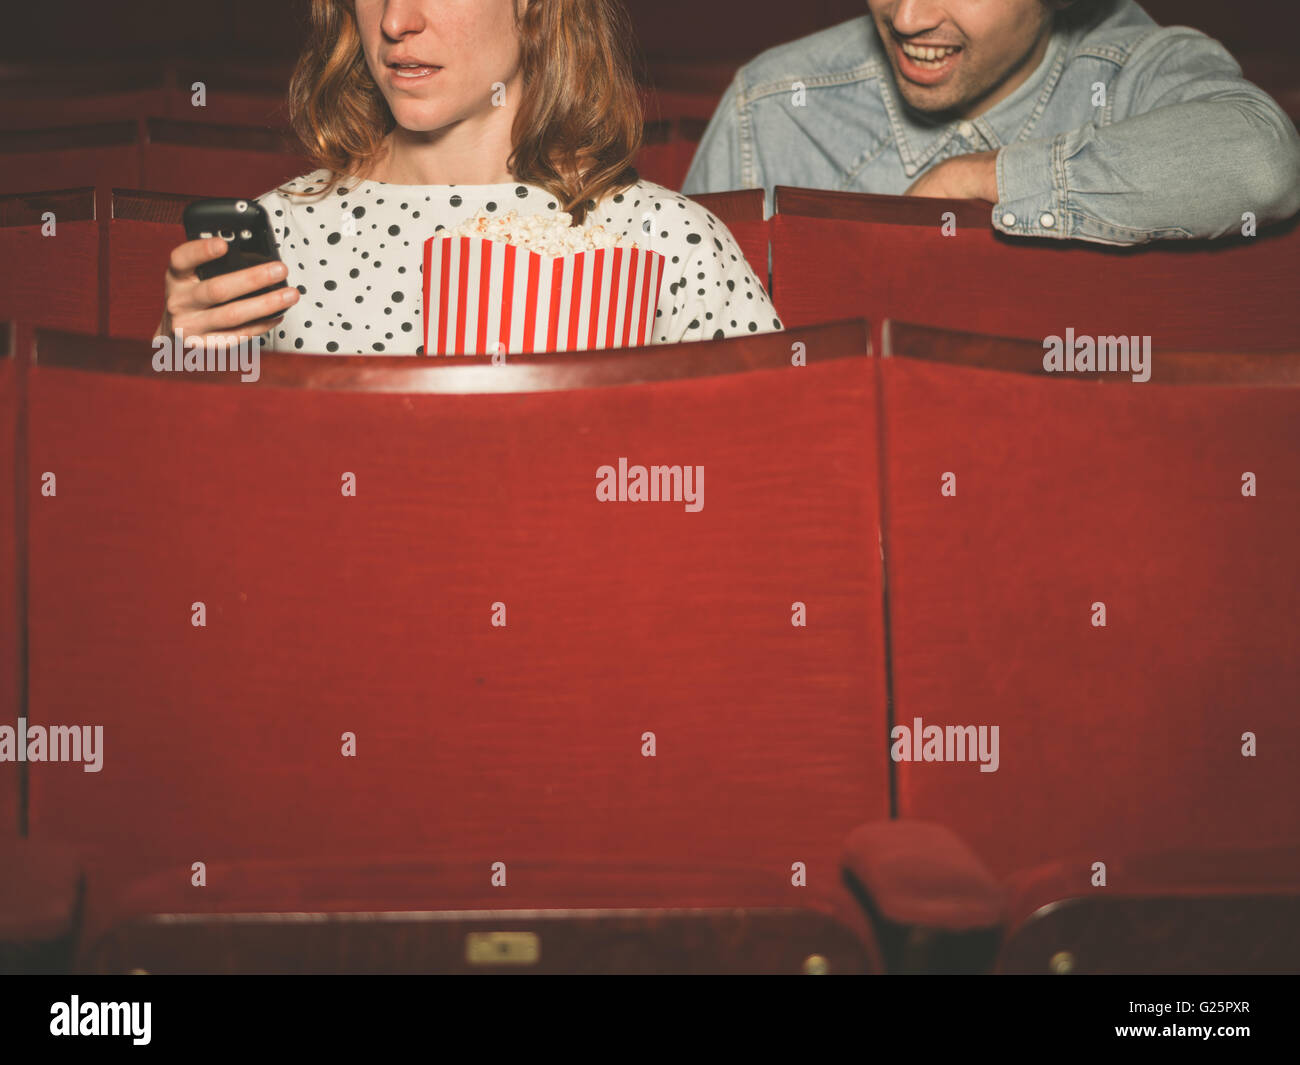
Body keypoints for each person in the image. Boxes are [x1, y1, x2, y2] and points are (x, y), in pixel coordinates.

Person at [156, 0, 781, 353]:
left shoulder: (666, 240)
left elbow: (771, 491)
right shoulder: (273, 236)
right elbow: (185, 507)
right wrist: (174, 358)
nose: (398, 21)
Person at [682, 0, 1300, 244]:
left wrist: (983, 178)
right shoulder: (772, 104)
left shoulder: (1127, 72)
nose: (906, 15)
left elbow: (1262, 160)